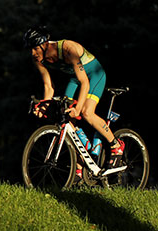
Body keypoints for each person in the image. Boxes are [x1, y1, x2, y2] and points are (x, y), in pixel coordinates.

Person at [23, 26, 125, 170]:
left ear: (44, 44)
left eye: (35, 48)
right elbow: (48, 86)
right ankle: (81, 162)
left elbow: (85, 82)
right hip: (76, 78)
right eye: (30, 49)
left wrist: (77, 109)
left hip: (94, 75)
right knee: (64, 117)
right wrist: (44, 106)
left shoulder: (67, 49)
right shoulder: (38, 58)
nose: (33, 53)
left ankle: (116, 145)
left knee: (86, 112)